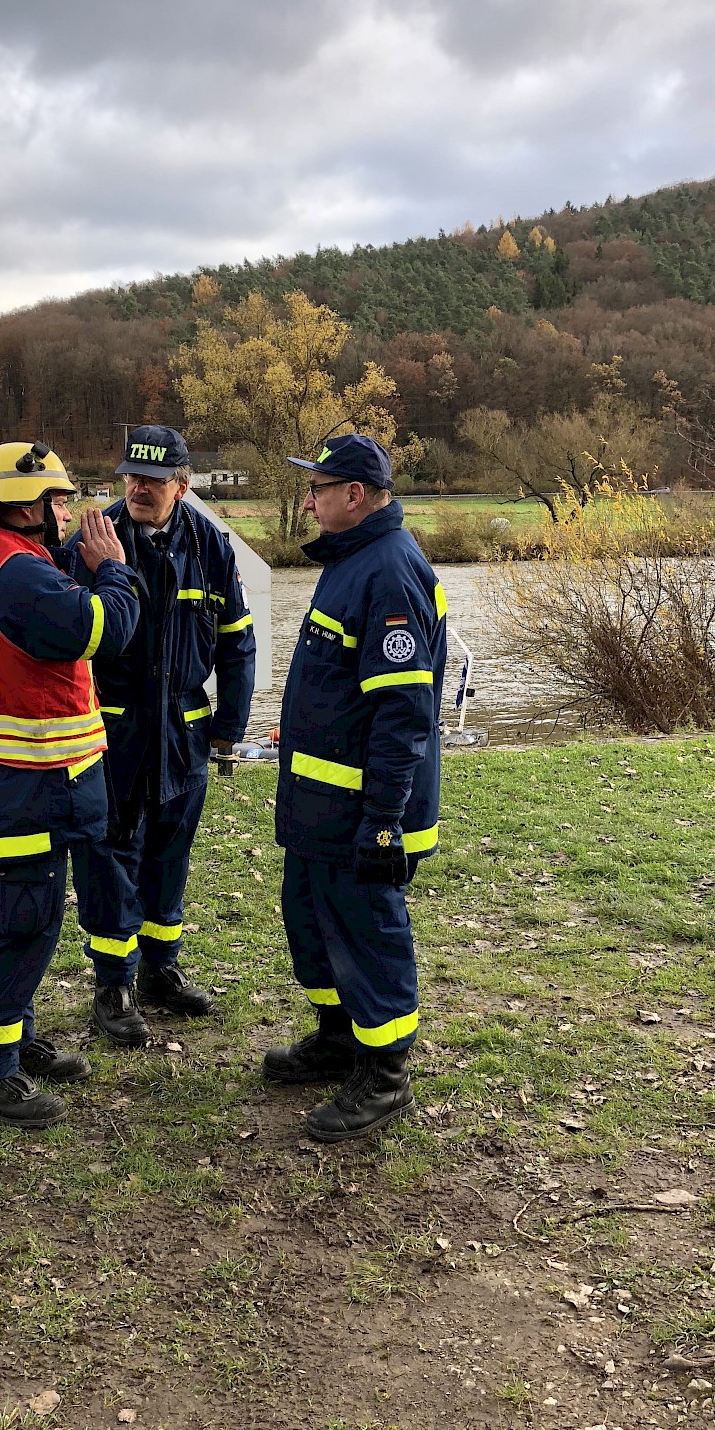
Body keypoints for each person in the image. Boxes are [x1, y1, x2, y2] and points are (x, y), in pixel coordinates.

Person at [0, 441, 139, 1128]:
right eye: (58, 499)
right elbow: (105, 629)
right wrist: (114, 574)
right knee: (24, 929)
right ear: (23, 504)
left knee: (0, 923)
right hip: (25, 792)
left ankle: (14, 1040)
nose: (68, 510)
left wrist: (65, 570)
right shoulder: (17, 575)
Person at [264, 434, 447, 1142]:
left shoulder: (390, 571)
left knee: (368, 937)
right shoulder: (351, 561)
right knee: (311, 925)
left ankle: (386, 1073)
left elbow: (402, 716)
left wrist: (382, 823)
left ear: (358, 495)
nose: (307, 499)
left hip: (362, 816)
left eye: (319, 487)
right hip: (320, 807)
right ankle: (339, 1039)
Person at [67, 425, 256, 1046]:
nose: (139, 488)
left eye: (153, 478)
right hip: (112, 726)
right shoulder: (92, 540)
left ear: (183, 484)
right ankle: (113, 983)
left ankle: (159, 969)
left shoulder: (211, 545)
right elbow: (65, 634)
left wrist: (229, 726)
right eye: (132, 476)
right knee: (111, 852)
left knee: (170, 851)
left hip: (184, 729)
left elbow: (236, 641)